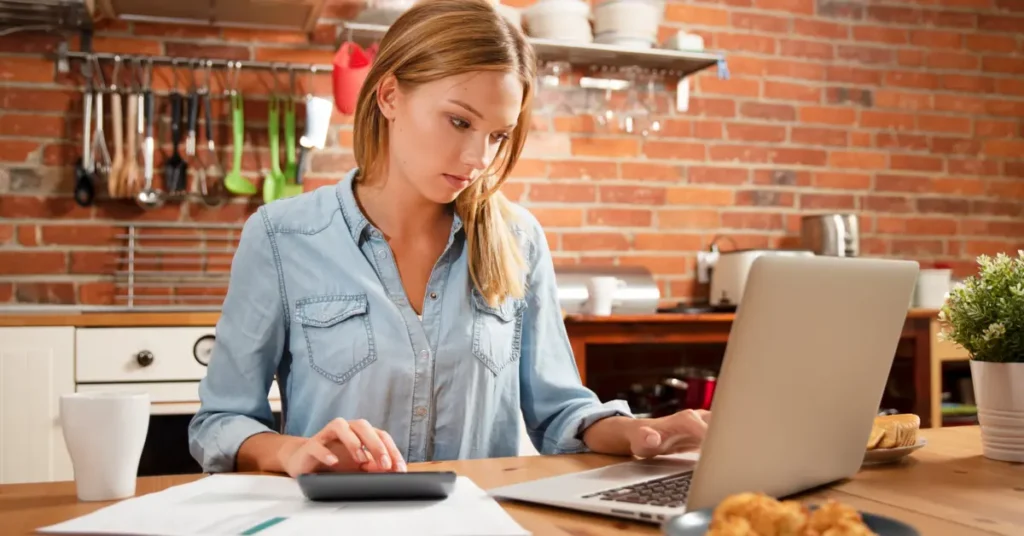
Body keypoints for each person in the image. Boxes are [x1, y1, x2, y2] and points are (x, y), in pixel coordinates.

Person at [188, 0, 710, 478]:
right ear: (390, 96)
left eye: (497, 136)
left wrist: (644, 432)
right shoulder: (283, 237)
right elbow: (221, 419)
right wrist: (294, 450)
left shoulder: (519, 239)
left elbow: (560, 412)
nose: (478, 158)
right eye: (459, 121)